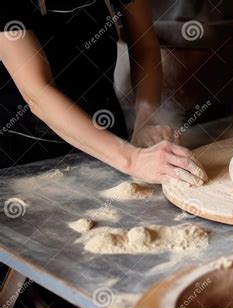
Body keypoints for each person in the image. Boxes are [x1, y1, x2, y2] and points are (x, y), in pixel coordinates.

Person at [0, 0, 207, 186]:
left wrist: (146, 119)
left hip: (109, 141)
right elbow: (37, 92)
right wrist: (133, 160)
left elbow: (145, 49)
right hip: (26, 157)